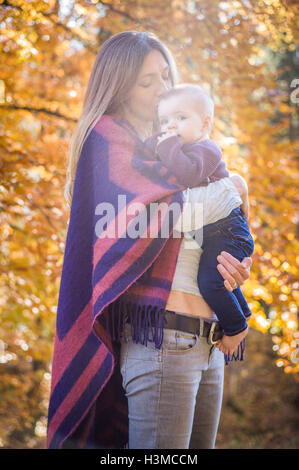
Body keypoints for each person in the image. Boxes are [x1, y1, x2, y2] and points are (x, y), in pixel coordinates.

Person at [47, 31, 253, 450]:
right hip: (161, 339)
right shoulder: (107, 142)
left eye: (165, 75)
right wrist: (236, 187)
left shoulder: (180, 149)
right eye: (147, 82)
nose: (163, 89)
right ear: (120, 87)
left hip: (210, 341)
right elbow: (158, 219)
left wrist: (239, 261)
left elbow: (213, 223)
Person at [144, 84, 254, 360]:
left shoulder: (207, 149)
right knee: (215, 274)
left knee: (210, 281)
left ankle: (236, 326)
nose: (172, 127)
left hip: (229, 231)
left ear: (205, 124)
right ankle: (243, 312)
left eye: (181, 118)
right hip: (215, 233)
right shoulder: (177, 147)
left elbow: (189, 175)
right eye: (165, 121)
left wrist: (165, 144)